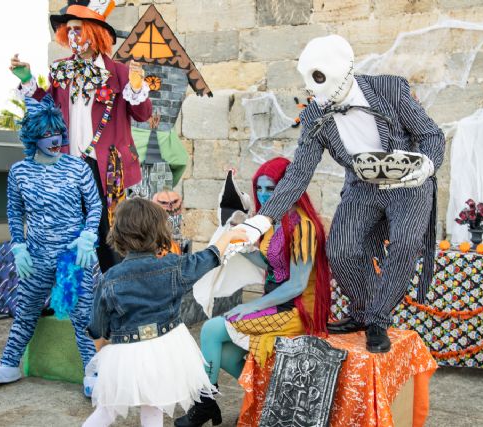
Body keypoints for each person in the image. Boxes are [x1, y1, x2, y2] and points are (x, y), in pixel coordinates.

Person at [232, 35, 445, 353]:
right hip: (362, 186)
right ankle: (365, 313)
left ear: (341, 70)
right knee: (341, 250)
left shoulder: (389, 89)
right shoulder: (314, 116)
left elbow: (431, 133)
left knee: (406, 242)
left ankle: (375, 319)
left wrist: (426, 165)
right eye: (306, 80)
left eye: (317, 77)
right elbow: (299, 173)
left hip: (408, 183)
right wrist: (262, 220)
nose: (311, 89)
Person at [174, 157, 331, 427]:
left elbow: (296, 285)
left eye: (271, 188)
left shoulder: (303, 226)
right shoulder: (273, 222)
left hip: (295, 310)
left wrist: (251, 306)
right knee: (222, 352)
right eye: (260, 188)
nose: (264, 194)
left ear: (288, 187)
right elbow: (269, 265)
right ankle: (263, 398)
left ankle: (206, 405)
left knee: (211, 330)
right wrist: (237, 241)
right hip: (276, 304)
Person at [0, 94, 101, 396]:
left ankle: (93, 371)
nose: (53, 140)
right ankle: (9, 363)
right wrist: (18, 246)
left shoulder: (78, 168)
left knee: (82, 316)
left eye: (56, 132)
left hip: (73, 259)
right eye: (44, 134)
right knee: (25, 311)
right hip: (36, 256)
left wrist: (88, 236)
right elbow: (15, 212)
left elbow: (94, 206)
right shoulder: (19, 172)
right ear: (32, 138)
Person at [10, 0, 153, 272]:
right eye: (70, 30)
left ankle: (115, 290)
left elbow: (143, 114)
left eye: (79, 29)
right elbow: (49, 109)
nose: (74, 36)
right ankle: (73, 294)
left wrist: (136, 87)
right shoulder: (61, 70)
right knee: (68, 228)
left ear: (94, 33)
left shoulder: (119, 72)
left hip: (106, 165)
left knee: (110, 231)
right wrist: (28, 80)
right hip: (68, 162)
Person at [83, 198, 248, 427]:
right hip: (165, 350)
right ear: (158, 230)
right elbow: (208, 258)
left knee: (106, 411)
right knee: (154, 407)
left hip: (125, 353)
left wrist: (106, 360)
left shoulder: (110, 279)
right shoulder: (173, 267)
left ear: (119, 233)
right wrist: (228, 237)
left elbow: (97, 328)